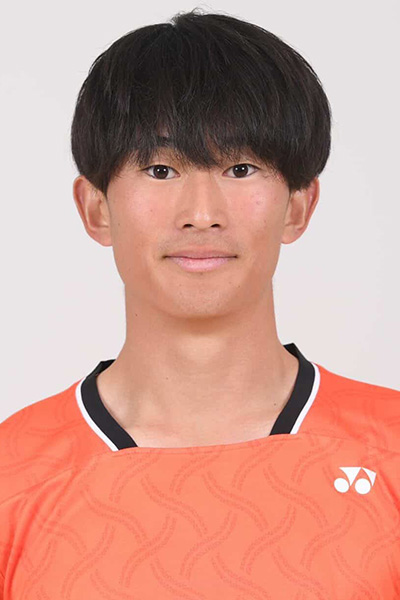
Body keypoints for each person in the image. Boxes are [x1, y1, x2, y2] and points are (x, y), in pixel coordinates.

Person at [0, 8, 399, 598]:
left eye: (241, 168)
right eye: (161, 169)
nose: (202, 213)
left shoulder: (390, 447)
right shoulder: (12, 474)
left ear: (298, 206)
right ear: (96, 208)